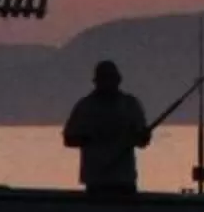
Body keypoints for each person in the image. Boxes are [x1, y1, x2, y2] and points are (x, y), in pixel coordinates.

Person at [62, 59, 154, 197]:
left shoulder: (130, 105)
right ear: (96, 81)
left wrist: (139, 137)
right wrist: (91, 138)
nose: (107, 83)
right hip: (96, 181)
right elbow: (68, 139)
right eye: (104, 79)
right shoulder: (85, 106)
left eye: (110, 79)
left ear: (118, 80)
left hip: (124, 181)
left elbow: (143, 141)